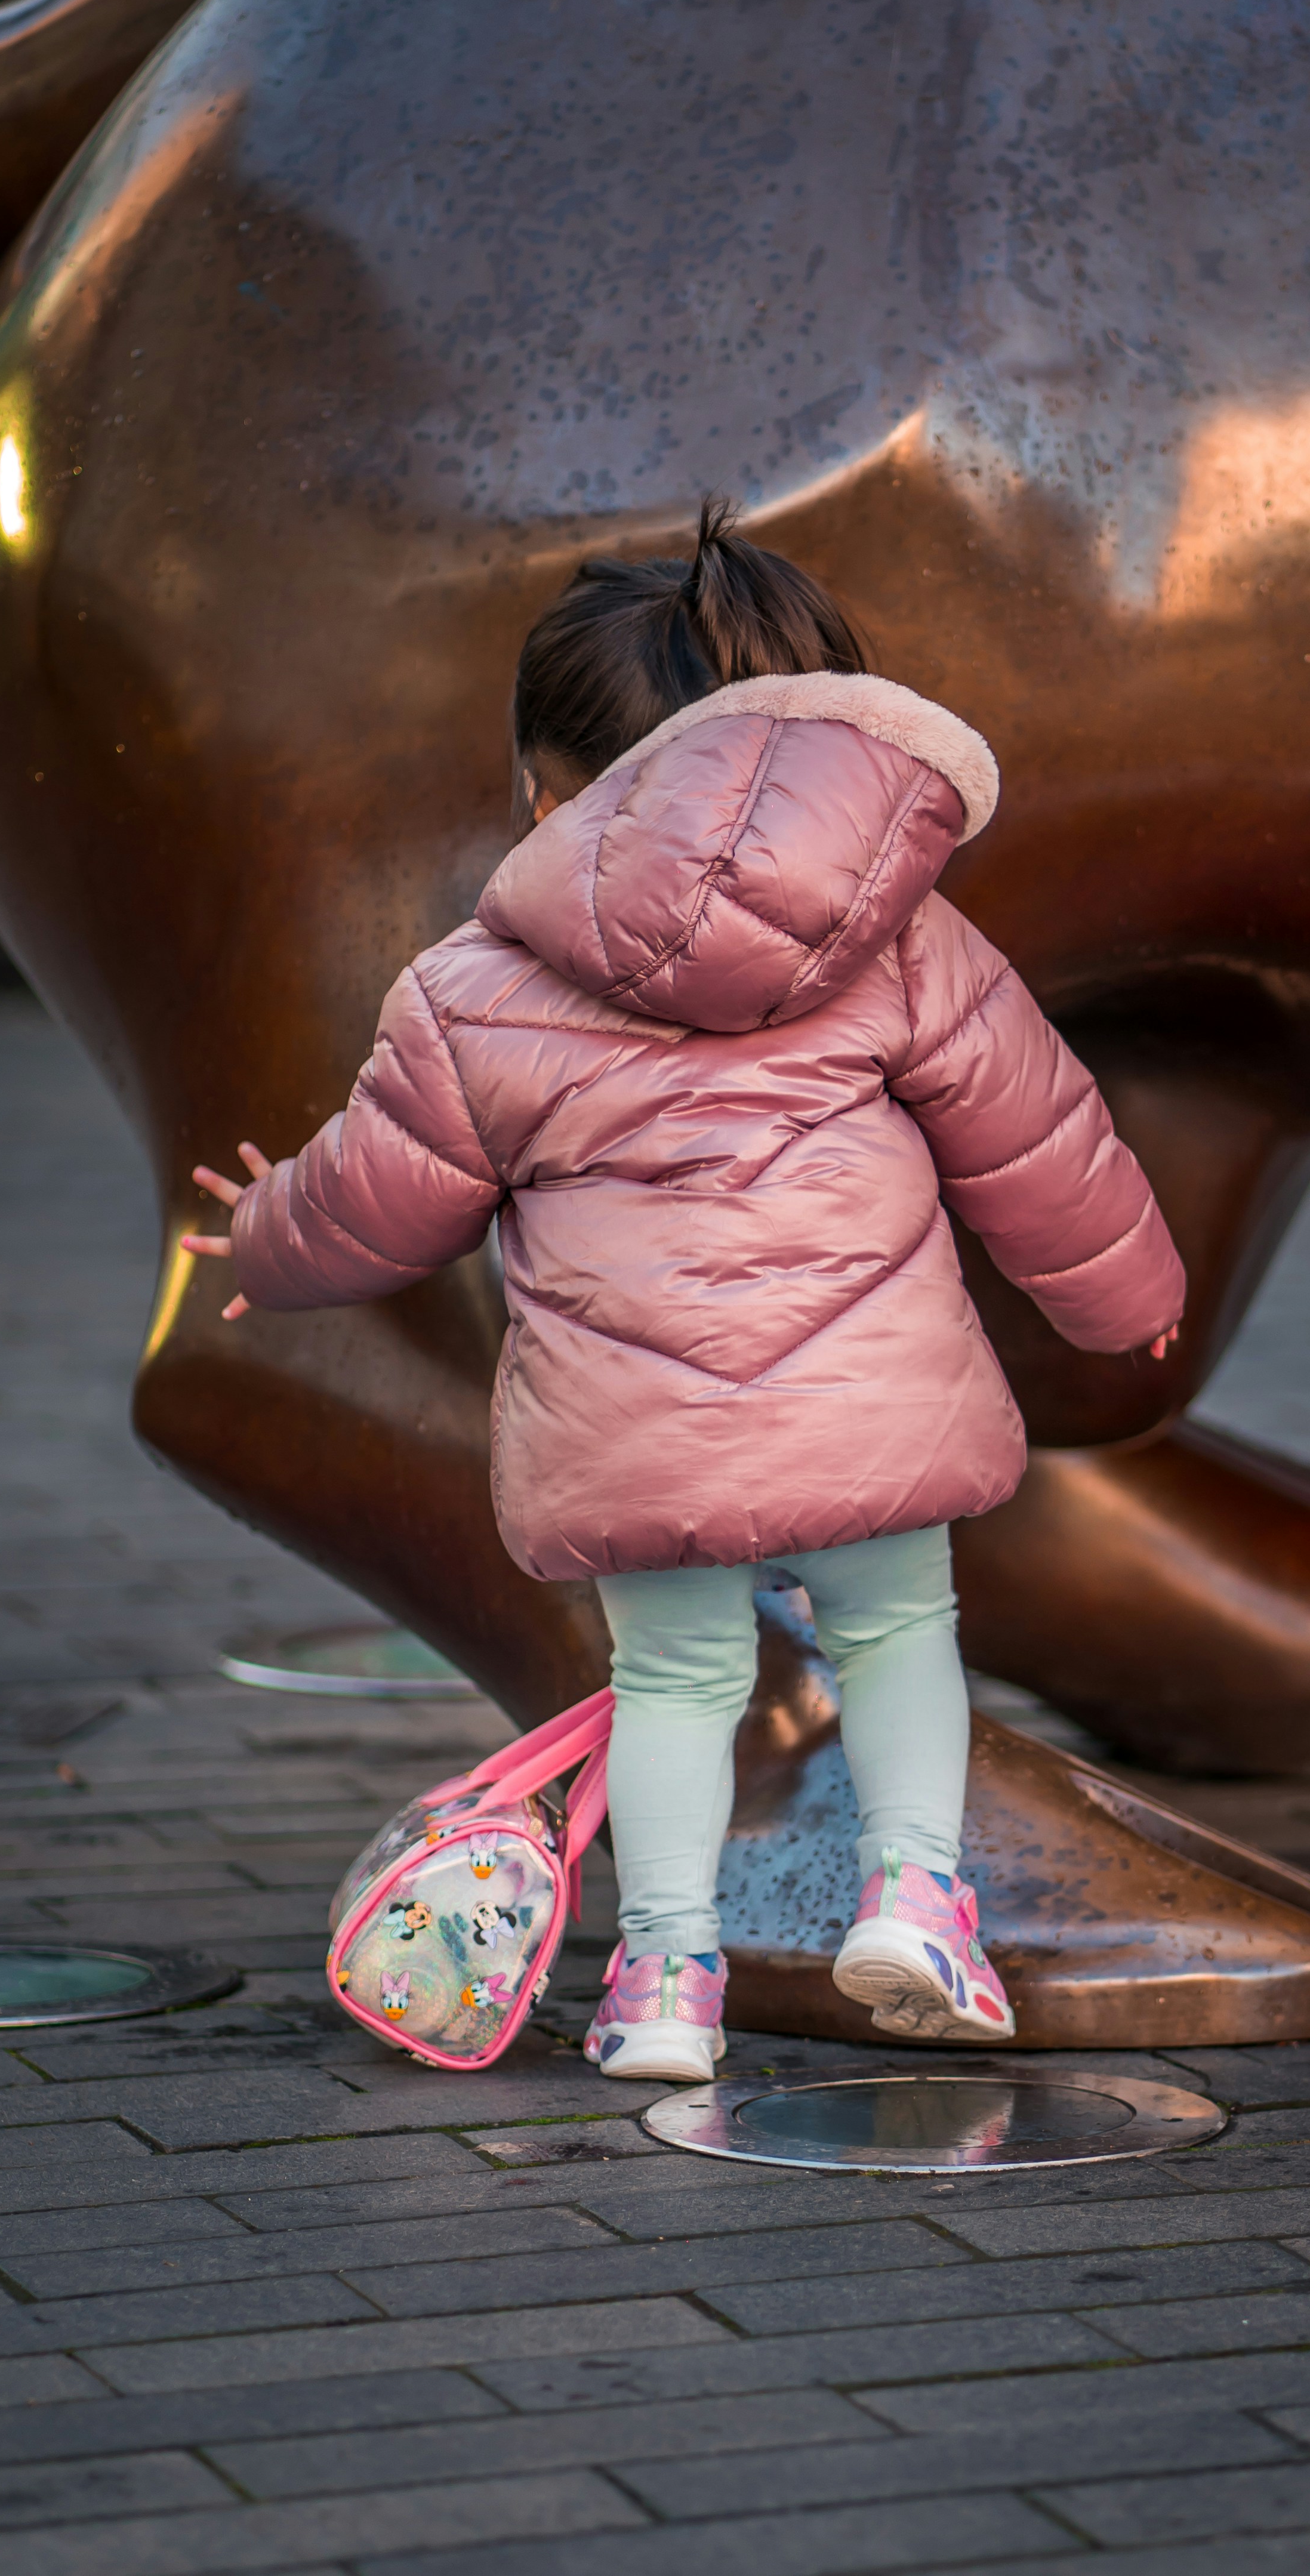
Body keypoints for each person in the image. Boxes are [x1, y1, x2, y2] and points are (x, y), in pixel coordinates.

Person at [184, 499, 1185, 2081]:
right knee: (899, 1627)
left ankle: (664, 1981)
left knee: (675, 1678)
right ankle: (917, 1899)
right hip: (868, 1406)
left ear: (543, 787)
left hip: (633, 1427)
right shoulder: (908, 946)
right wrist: (1125, 1303)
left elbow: (377, 1207)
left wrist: (262, 1246)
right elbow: (1039, 1139)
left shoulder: (473, 990)